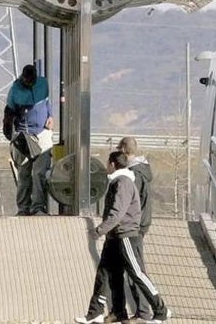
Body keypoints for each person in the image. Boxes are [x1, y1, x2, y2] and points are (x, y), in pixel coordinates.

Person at [75, 151, 171, 324]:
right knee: (106, 274)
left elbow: (117, 213)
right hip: (115, 237)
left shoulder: (123, 183)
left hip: (125, 235)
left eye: (107, 163)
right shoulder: (119, 182)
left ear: (112, 164)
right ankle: (101, 312)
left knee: (137, 273)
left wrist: (99, 230)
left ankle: (161, 310)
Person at [3, 64, 53, 216]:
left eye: (32, 80)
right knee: (24, 173)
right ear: (22, 78)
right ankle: (23, 208)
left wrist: (50, 115)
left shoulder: (43, 84)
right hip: (23, 136)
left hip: (42, 134)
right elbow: (8, 113)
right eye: (27, 81)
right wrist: (10, 135)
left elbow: (47, 101)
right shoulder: (15, 90)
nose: (30, 83)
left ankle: (38, 207)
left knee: (39, 173)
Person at [117, 137, 153, 322]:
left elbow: (130, 202)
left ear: (123, 150)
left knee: (135, 269)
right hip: (139, 225)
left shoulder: (133, 175)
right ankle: (141, 310)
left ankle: (145, 311)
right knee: (133, 266)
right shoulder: (142, 171)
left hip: (134, 227)